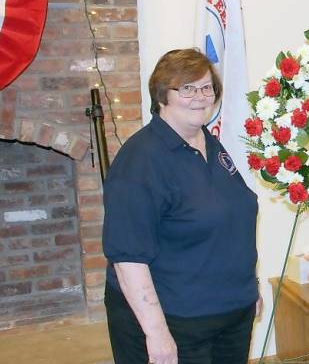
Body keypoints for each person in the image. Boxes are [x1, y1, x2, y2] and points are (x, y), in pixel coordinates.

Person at [102, 48, 260, 364]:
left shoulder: (209, 144)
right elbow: (128, 258)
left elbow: (234, 221)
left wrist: (248, 287)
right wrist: (157, 334)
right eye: (187, 88)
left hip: (230, 313)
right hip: (176, 323)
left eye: (206, 87)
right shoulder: (140, 160)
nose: (200, 96)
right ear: (162, 95)